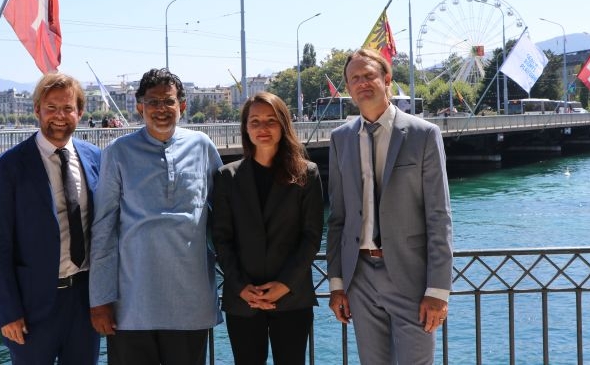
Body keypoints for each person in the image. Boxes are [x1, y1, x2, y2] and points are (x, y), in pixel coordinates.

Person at [326, 48, 454, 365]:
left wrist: (438, 290)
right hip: (360, 277)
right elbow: (338, 217)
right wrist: (337, 285)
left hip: (411, 276)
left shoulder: (423, 134)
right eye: (354, 78)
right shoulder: (340, 139)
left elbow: (439, 216)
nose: (362, 83)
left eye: (368, 75)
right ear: (348, 88)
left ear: (387, 79)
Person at [89, 68, 222, 365]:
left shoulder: (202, 146)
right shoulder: (117, 152)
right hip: (132, 306)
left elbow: (224, 219)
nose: (161, 109)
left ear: (182, 106)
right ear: (140, 107)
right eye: (153, 102)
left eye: (169, 101)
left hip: (192, 302)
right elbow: (103, 229)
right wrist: (100, 299)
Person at [0, 72, 101, 364]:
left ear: (80, 112)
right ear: (37, 110)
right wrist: (9, 312)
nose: (60, 116)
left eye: (68, 108)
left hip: (86, 302)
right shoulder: (8, 167)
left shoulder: (96, 158)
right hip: (32, 308)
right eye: (52, 108)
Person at [212, 92, 323, 365]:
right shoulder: (227, 176)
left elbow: (311, 237)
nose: (263, 128)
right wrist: (240, 287)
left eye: (271, 120)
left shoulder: (306, 173)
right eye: (255, 121)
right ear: (246, 127)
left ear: (283, 124)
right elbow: (221, 239)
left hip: (292, 296)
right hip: (243, 299)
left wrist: (285, 284)